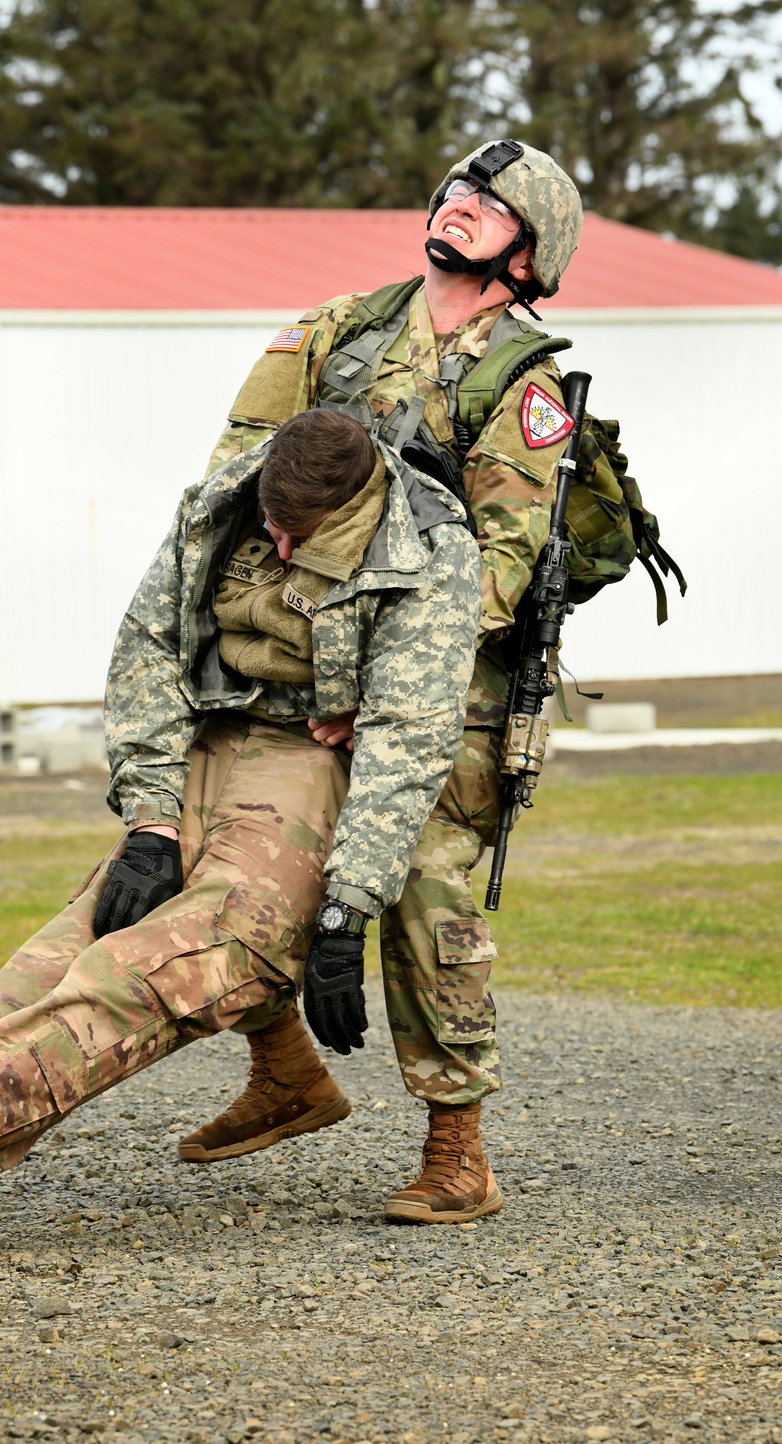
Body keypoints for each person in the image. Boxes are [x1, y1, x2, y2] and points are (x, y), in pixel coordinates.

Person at [0, 407, 481, 1279]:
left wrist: (347, 903)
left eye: (300, 536)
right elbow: (146, 646)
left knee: (143, 976)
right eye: (274, 528)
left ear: (350, 508)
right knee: (39, 977)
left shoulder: (428, 550)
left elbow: (409, 739)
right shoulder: (228, 497)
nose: (280, 547)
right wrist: (151, 823)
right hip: (208, 749)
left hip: (316, 765)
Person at [175, 139, 588, 1224]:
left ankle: (458, 1150)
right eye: (454, 190)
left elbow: (503, 562)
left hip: (449, 680)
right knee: (221, 846)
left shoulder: (522, 381)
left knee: (421, 887)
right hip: (304, 649)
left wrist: (392, 661)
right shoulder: (336, 331)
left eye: (487, 204)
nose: (458, 206)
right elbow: (238, 479)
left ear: (529, 251)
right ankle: (283, 1072)